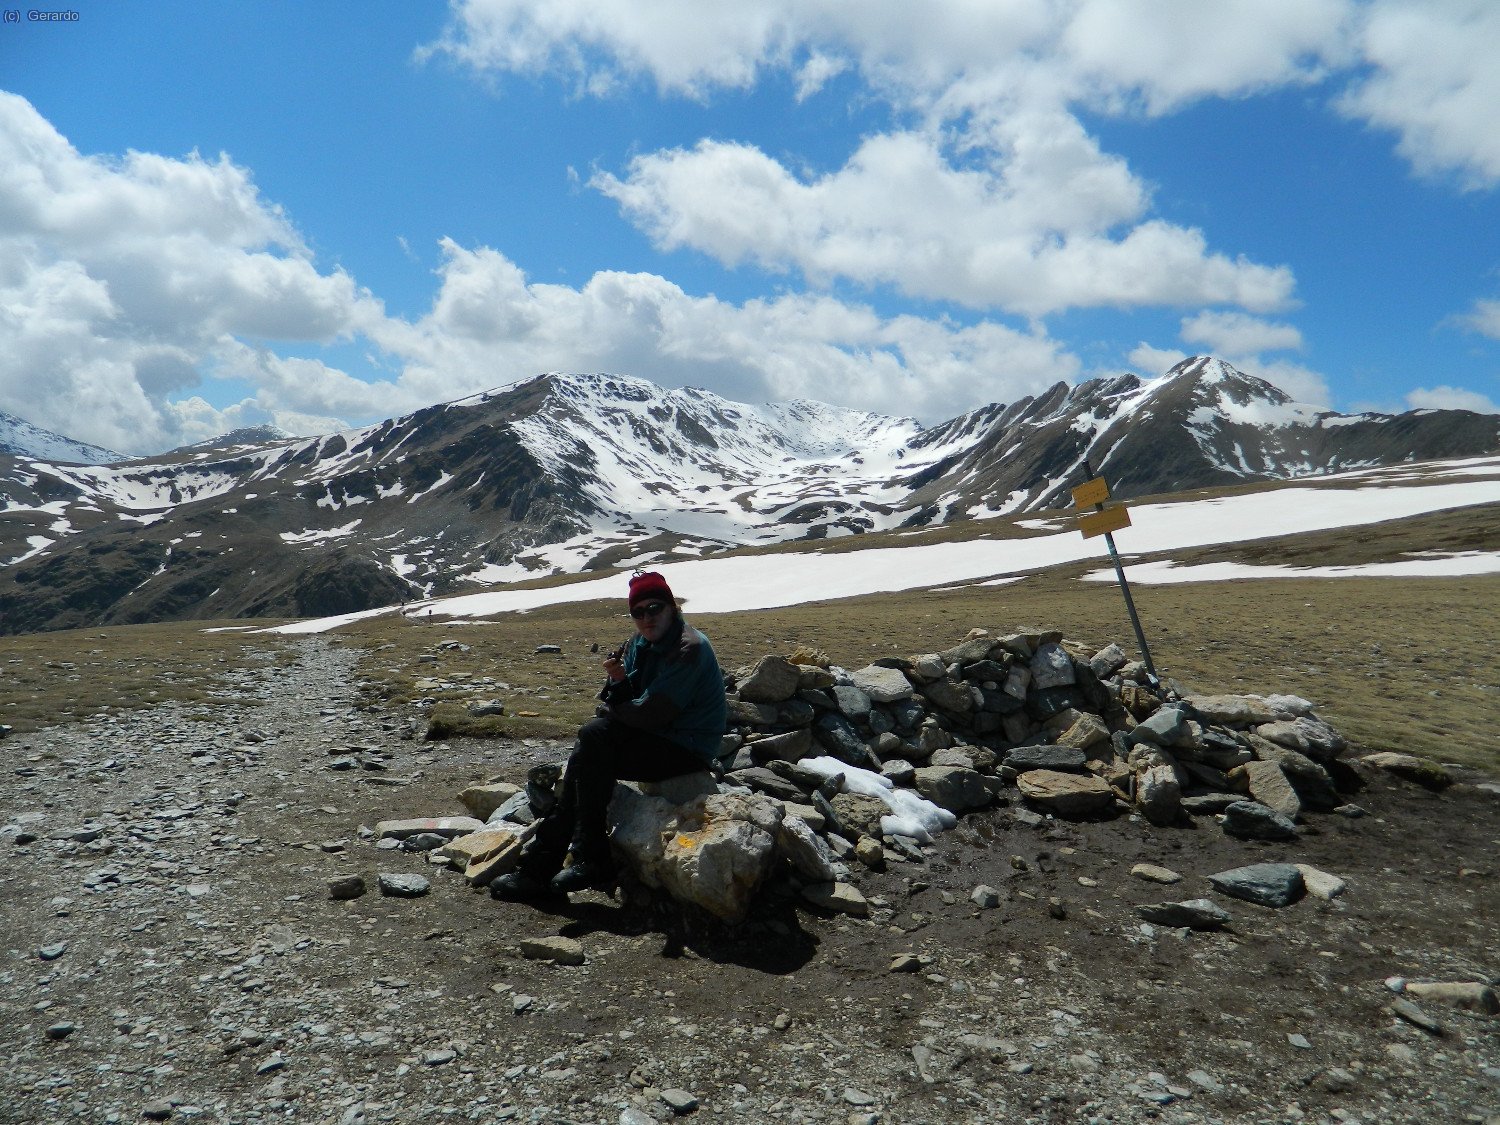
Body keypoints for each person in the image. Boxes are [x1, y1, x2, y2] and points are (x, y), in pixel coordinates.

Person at [492, 571, 728, 898]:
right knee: (589, 751)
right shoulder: (638, 644)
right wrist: (617, 685)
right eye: (638, 612)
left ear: (672, 607)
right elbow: (622, 697)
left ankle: (560, 862)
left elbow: (649, 714)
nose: (647, 618)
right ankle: (562, 863)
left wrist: (616, 701)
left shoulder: (689, 648)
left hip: (686, 745)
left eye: (655, 608)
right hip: (657, 737)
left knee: (593, 741)